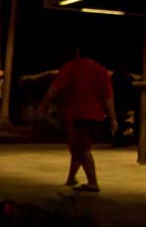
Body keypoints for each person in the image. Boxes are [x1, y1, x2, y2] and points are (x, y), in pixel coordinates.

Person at [39, 46, 117, 192]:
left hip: (77, 113)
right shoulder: (102, 71)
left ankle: (93, 183)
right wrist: (113, 118)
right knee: (78, 148)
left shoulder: (71, 66)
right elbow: (108, 97)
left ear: (78, 53)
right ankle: (71, 178)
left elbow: (56, 87)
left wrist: (43, 103)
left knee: (82, 149)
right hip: (95, 115)